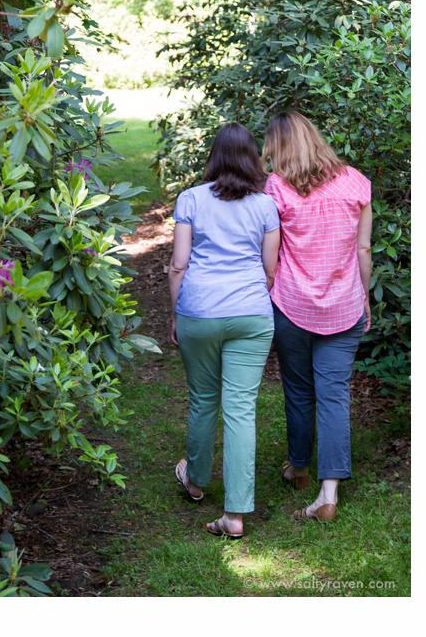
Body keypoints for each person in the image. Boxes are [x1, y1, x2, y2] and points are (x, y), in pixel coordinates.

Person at [168, 123, 280, 540]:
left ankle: (195, 480)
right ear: (252, 157)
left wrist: (176, 313)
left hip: (200, 309)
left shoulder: (191, 199)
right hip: (252, 313)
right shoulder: (265, 206)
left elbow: (179, 263)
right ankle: (234, 514)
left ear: (214, 155)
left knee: (202, 397)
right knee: (241, 408)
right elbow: (270, 269)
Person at [264, 112, 374, 523]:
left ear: (281, 147)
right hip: (344, 305)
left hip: (291, 304)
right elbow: (363, 250)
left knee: (297, 387)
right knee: (334, 393)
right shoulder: (355, 181)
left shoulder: (276, 187)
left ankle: (298, 466)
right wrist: (364, 295)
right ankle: (328, 493)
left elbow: (271, 258)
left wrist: (268, 287)